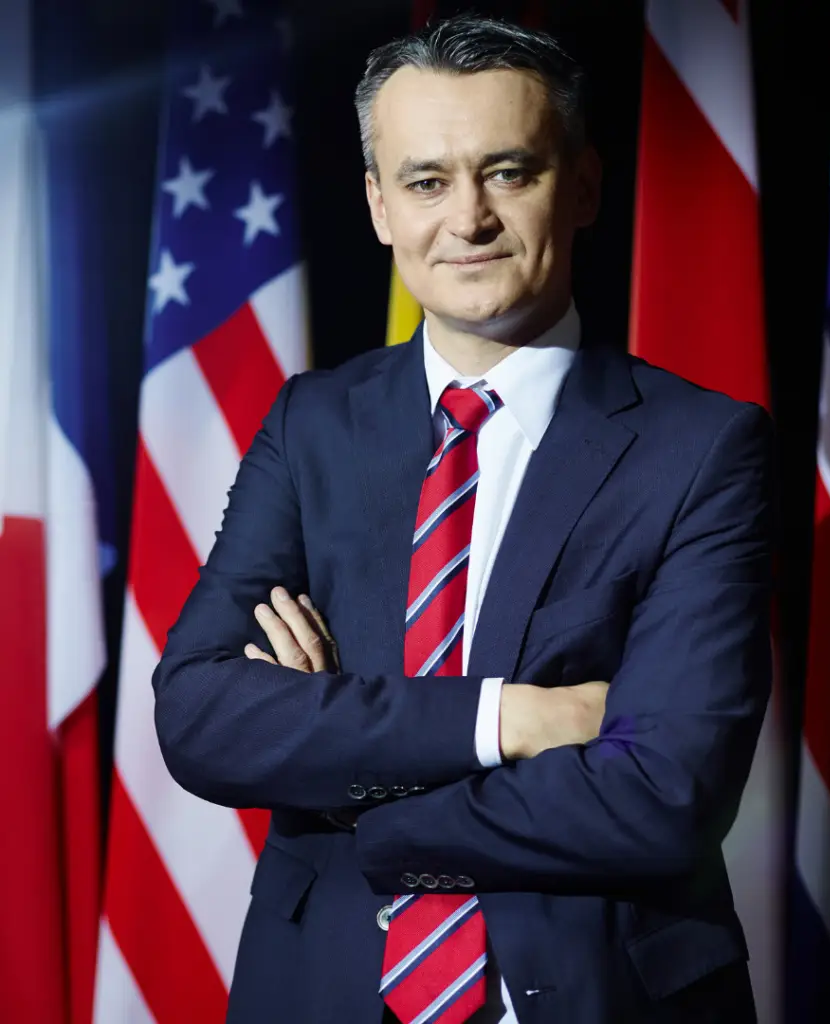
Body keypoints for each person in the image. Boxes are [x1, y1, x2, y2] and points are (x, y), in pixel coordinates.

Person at [153, 13, 774, 1023]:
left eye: (508, 172)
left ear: (582, 186)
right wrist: (514, 719)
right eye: (426, 181)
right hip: (322, 990)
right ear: (378, 205)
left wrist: (353, 777)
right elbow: (201, 717)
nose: (468, 219)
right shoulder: (310, 422)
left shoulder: (701, 447)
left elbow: (664, 797)